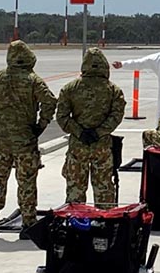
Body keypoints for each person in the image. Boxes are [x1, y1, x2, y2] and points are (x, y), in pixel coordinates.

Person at [0, 40, 57, 240]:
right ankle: (28, 224)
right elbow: (50, 101)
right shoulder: (32, 80)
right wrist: (41, 124)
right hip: (25, 140)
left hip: (0, 140)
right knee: (26, 182)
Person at [58, 48, 126, 208]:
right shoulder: (113, 90)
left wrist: (80, 132)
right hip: (101, 146)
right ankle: (106, 223)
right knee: (104, 189)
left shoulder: (70, 88)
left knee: (75, 189)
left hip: (77, 146)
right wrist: (98, 132)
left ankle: (76, 224)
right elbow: (116, 116)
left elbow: (62, 117)